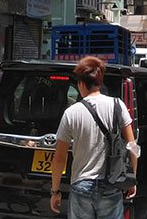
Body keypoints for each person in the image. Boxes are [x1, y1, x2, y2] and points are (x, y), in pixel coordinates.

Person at [50, 56, 139, 218]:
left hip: (81, 186)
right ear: (99, 81)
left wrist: (55, 191)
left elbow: (59, 159)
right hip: (111, 184)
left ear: (81, 83)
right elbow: (132, 146)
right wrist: (132, 178)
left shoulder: (71, 113)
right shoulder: (118, 105)